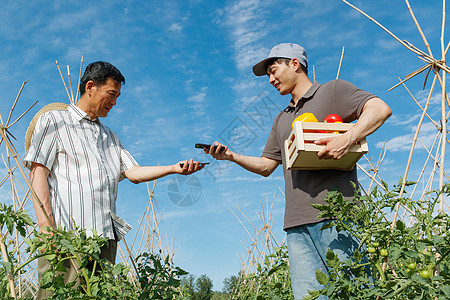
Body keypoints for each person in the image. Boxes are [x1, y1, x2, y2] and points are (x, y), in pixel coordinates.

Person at [205, 43, 392, 299]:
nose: (270, 79)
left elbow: (380, 109)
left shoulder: (333, 91)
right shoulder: (281, 119)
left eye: (273, 70)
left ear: (295, 64)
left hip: (339, 215)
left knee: (357, 293)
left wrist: (348, 137)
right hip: (296, 224)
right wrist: (231, 156)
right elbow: (266, 166)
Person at [24, 61, 205, 299]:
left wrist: (173, 168)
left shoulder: (110, 136)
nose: (115, 103)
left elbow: (133, 172)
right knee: (59, 294)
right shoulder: (55, 121)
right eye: (111, 94)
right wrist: (47, 229)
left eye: (118, 96)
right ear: (90, 87)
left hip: (104, 240)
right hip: (67, 238)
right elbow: (38, 174)